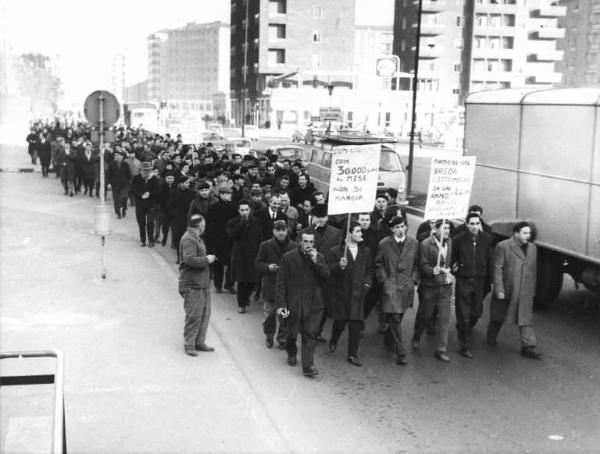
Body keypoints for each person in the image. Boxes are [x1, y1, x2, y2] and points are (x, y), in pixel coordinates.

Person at [275, 231, 331, 377]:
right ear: (300, 241)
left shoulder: (319, 257)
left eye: (311, 242)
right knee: (291, 331)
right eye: (305, 242)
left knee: (310, 334)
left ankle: (308, 366)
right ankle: (291, 352)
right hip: (294, 302)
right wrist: (281, 305)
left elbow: (327, 277)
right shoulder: (288, 258)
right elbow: (280, 283)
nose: (308, 245)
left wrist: (316, 262)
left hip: (313, 302)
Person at [487, 221, 542, 359]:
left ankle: (528, 346)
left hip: (525, 290)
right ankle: (491, 337)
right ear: (516, 233)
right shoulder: (503, 246)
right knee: (499, 314)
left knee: (525, 318)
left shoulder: (533, 248)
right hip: (508, 288)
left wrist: (532, 291)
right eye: (524, 233)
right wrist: (499, 288)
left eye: (529, 233)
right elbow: (497, 269)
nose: (527, 236)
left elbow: (533, 271)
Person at [374, 216, 420, 365]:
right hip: (391, 285)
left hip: (406, 285)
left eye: (402, 226)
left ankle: (389, 338)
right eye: (397, 227)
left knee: (398, 316)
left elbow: (417, 264)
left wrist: (413, 279)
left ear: (406, 227)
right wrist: (384, 280)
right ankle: (401, 353)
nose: (400, 230)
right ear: (392, 229)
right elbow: (378, 264)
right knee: (394, 317)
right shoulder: (384, 244)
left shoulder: (413, 243)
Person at [327, 222, 373, 367]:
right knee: (340, 322)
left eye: (361, 231)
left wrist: (367, 284)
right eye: (358, 231)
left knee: (355, 325)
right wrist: (339, 267)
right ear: (349, 234)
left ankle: (352, 354)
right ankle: (334, 339)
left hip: (358, 294)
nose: (361, 234)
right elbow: (328, 271)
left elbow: (369, 271)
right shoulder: (336, 251)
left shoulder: (366, 252)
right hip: (342, 293)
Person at [451, 212, 494, 358]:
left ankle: (464, 328)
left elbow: (490, 260)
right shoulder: (458, 240)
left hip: (479, 281)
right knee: (464, 314)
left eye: (477, 224)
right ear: (467, 224)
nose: (475, 227)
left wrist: (491, 280)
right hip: (463, 280)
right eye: (472, 224)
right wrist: (454, 268)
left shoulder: (487, 239)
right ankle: (464, 345)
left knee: (477, 312)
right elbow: (453, 259)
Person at [412, 220, 454, 362]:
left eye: (448, 228)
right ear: (435, 229)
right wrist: (431, 270)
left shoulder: (450, 243)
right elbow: (422, 264)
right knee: (425, 315)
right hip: (430, 287)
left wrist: (453, 268)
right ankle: (417, 335)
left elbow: (449, 262)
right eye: (444, 228)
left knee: (444, 318)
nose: (447, 231)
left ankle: (441, 349)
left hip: (445, 286)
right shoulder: (425, 244)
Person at [255, 220, 297, 349]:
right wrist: (268, 267)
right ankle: (269, 334)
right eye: (278, 230)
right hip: (270, 285)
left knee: (284, 314)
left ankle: (282, 338)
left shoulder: (294, 246)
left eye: (283, 230)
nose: (281, 233)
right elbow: (257, 263)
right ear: (273, 231)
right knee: (270, 314)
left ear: (287, 231)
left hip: (287, 287)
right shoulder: (265, 245)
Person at [178, 214, 216, 356]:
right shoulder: (189, 239)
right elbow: (189, 260)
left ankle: (199, 342)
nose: (205, 226)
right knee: (194, 314)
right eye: (204, 224)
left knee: (205, 313)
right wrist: (206, 259)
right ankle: (189, 344)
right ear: (199, 226)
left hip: (202, 282)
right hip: (192, 283)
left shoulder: (195, 237)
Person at [226, 200, 262, 313]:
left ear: (250, 210)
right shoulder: (233, 222)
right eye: (242, 210)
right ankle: (241, 304)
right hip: (240, 255)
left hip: (253, 254)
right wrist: (241, 224)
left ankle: (246, 299)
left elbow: (260, 237)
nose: (245, 212)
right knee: (242, 281)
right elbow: (231, 234)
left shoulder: (256, 222)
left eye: (246, 209)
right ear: (238, 211)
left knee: (252, 280)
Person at [205, 186, 238, 293]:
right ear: (222, 195)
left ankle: (229, 284)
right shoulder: (214, 207)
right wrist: (210, 242)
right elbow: (209, 225)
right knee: (218, 264)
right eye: (227, 194)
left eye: (230, 194)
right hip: (218, 240)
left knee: (231, 264)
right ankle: (218, 285)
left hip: (231, 240)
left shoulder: (234, 207)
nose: (230, 196)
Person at [130, 162, 161, 247]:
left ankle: (151, 240)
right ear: (141, 170)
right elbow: (132, 190)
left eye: (148, 170)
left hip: (151, 205)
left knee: (150, 222)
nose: (146, 172)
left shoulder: (154, 179)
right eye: (144, 170)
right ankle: (143, 240)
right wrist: (141, 195)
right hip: (140, 204)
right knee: (141, 223)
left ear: (151, 170)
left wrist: (149, 193)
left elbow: (158, 191)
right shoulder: (136, 178)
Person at [168, 176, 196, 262]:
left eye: (189, 183)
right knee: (177, 238)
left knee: (187, 238)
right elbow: (169, 204)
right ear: (181, 183)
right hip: (177, 219)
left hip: (187, 219)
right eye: (186, 183)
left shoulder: (192, 193)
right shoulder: (174, 192)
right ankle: (179, 255)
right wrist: (173, 213)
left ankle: (185, 256)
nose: (188, 184)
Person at [107, 151, 132, 218]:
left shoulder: (126, 164)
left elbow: (128, 174)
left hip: (124, 184)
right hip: (115, 184)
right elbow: (109, 175)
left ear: (122, 157)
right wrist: (109, 183)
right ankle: (118, 213)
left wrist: (129, 182)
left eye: (119, 156)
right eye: (116, 156)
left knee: (124, 198)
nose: (117, 157)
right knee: (116, 199)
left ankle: (124, 209)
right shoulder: (111, 164)